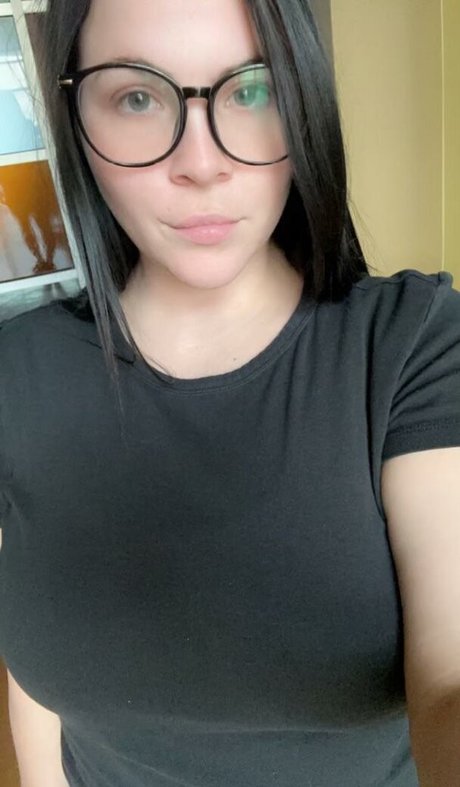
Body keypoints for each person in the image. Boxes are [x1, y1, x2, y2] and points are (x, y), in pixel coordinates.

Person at [1, 1, 460, 785]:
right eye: (137, 97)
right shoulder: (17, 373)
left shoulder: (414, 344)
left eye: (253, 90)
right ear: (75, 116)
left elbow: (449, 681)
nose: (202, 162)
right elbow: (38, 675)